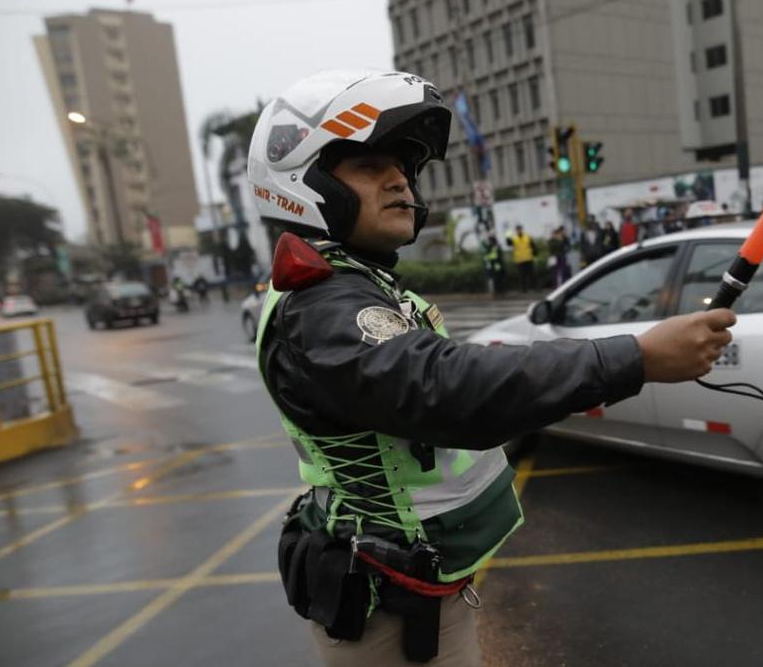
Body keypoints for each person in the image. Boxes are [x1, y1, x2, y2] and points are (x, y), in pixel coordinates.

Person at [247, 69, 735, 667]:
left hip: (415, 585)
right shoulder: (323, 306)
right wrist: (636, 356)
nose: (400, 180)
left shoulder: (354, 285)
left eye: (404, 167)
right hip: (386, 608)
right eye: (372, 165)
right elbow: (446, 388)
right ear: (307, 180)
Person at [505, 224, 535, 292]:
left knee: (532, 274)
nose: (519, 230)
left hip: (528, 258)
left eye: (520, 229)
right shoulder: (514, 238)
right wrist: (507, 233)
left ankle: (535, 288)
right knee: (522, 276)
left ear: (522, 229)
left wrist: (534, 253)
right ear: (516, 230)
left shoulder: (527, 236)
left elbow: (532, 245)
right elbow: (508, 243)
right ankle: (524, 290)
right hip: (520, 260)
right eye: (518, 229)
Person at [480, 232, 505, 297]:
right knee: (494, 278)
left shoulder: (494, 246)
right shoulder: (490, 246)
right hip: (493, 265)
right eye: (490, 239)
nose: (490, 240)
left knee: (498, 278)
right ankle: (497, 291)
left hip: (496, 264)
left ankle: (500, 291)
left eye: (491, 239)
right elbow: (487, 254)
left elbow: (497, 255)